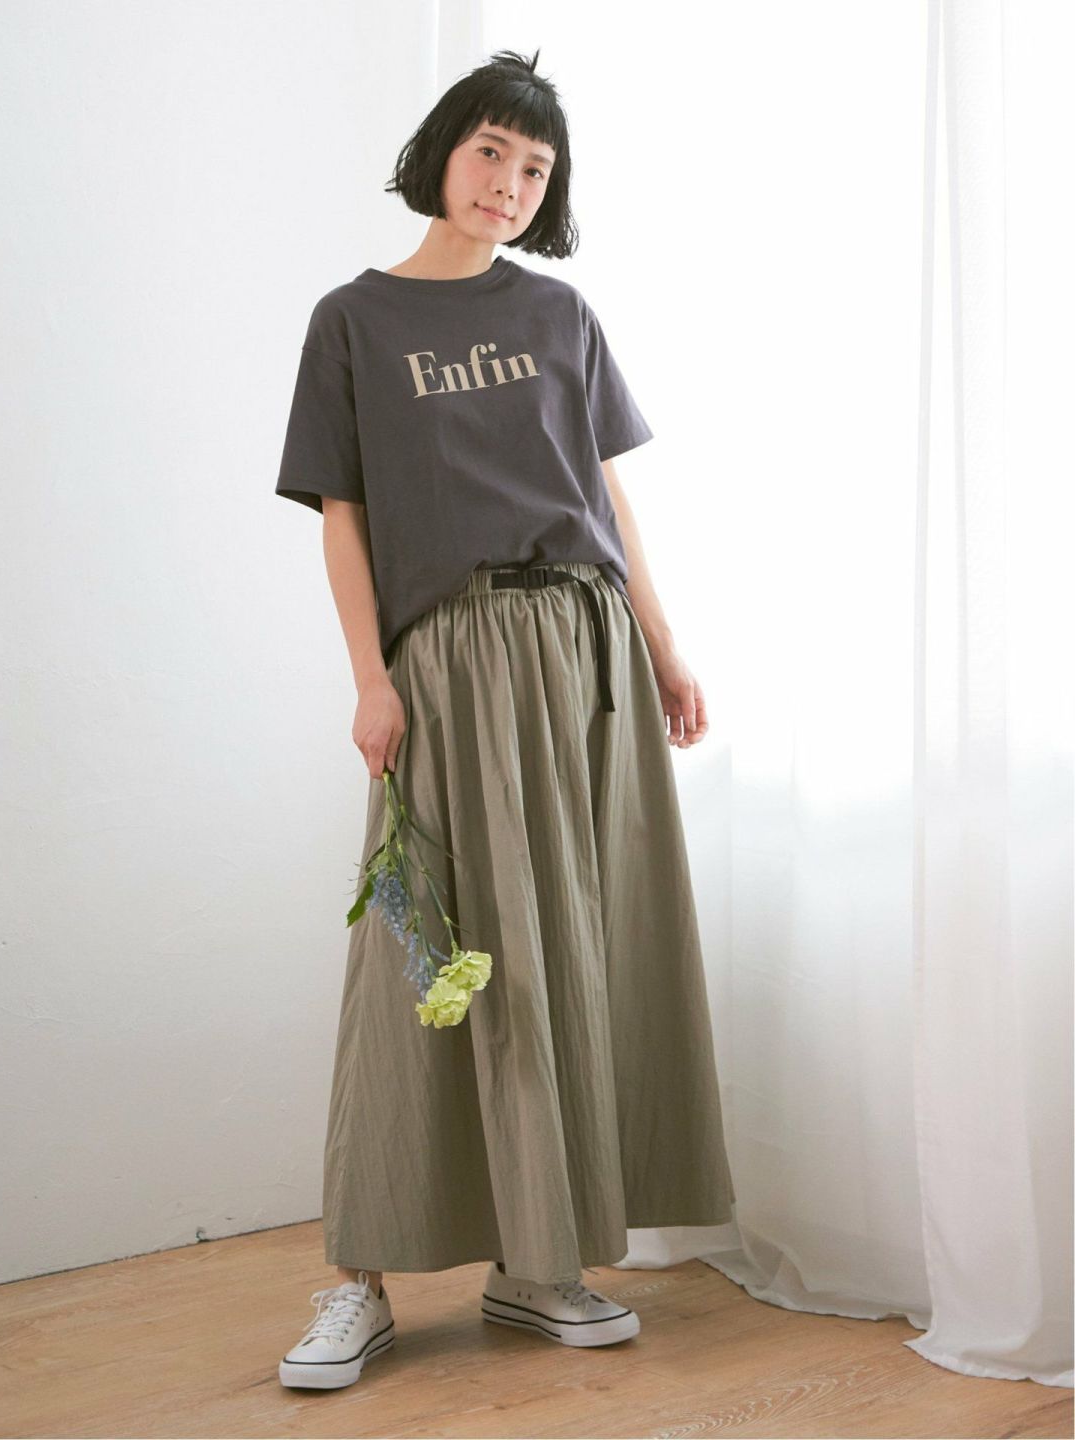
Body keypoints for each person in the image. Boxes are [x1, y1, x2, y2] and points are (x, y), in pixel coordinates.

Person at [274, 48, 735, 1391]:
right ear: (440, 154)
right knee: (423, 958)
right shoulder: (353, 320)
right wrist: (371, 677)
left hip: (582, 651)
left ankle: (538, 1265)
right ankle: (358, 1277)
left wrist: (663, 643)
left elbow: (604, 494)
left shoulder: (560, 315)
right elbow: (344, 515)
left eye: (537, 168)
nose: (511, 184)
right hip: (452, 659)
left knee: (569, 951)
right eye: (491, 152)